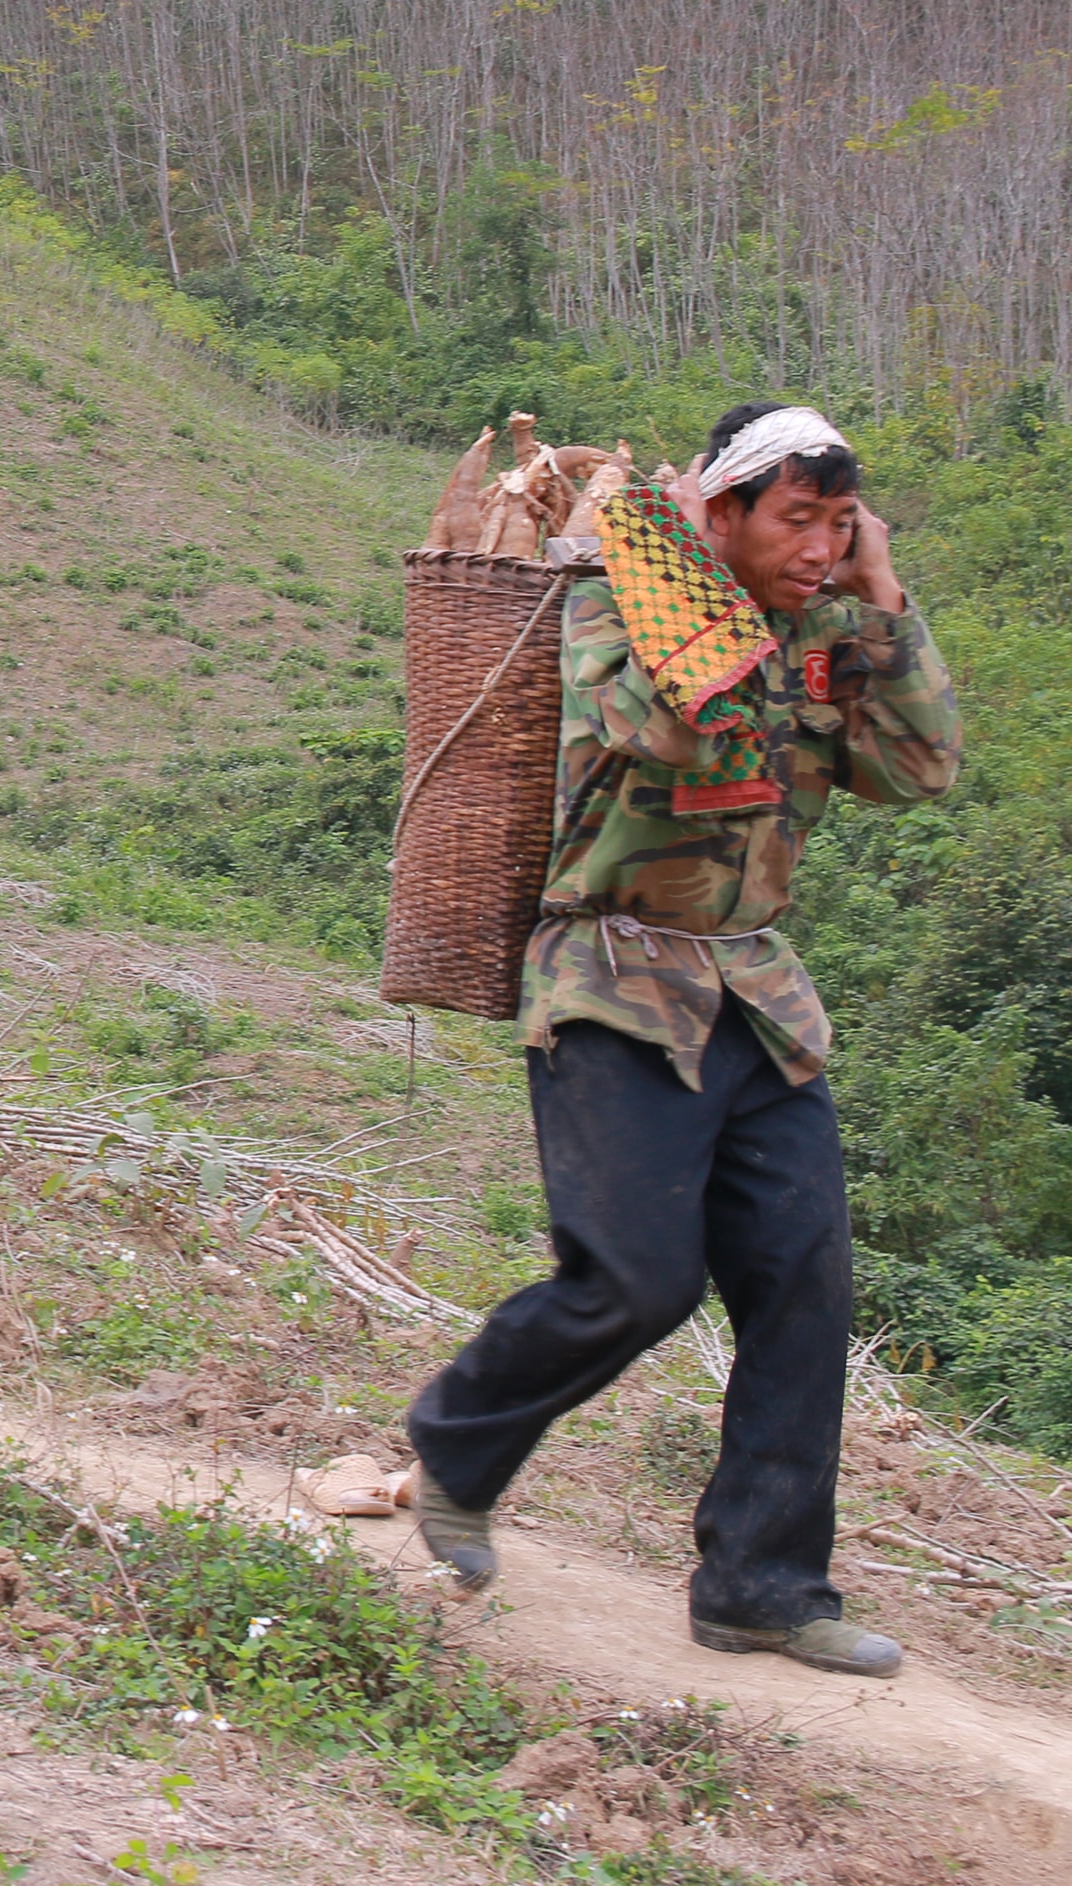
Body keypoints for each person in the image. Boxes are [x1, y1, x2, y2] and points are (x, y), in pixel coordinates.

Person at [404, 403, 958, 1678]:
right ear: (721, 515)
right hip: (612, 978)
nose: (818, 547)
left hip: (755, 996)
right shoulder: (618, 598)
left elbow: (917, 768)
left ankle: (761, 1587)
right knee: (632, 1280)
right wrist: (698, 580)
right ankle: (456, 1443)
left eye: (837, 523)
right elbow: (672, 730)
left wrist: (880, 597)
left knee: (802, 1287)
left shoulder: (831, 624)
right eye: (796, 521)